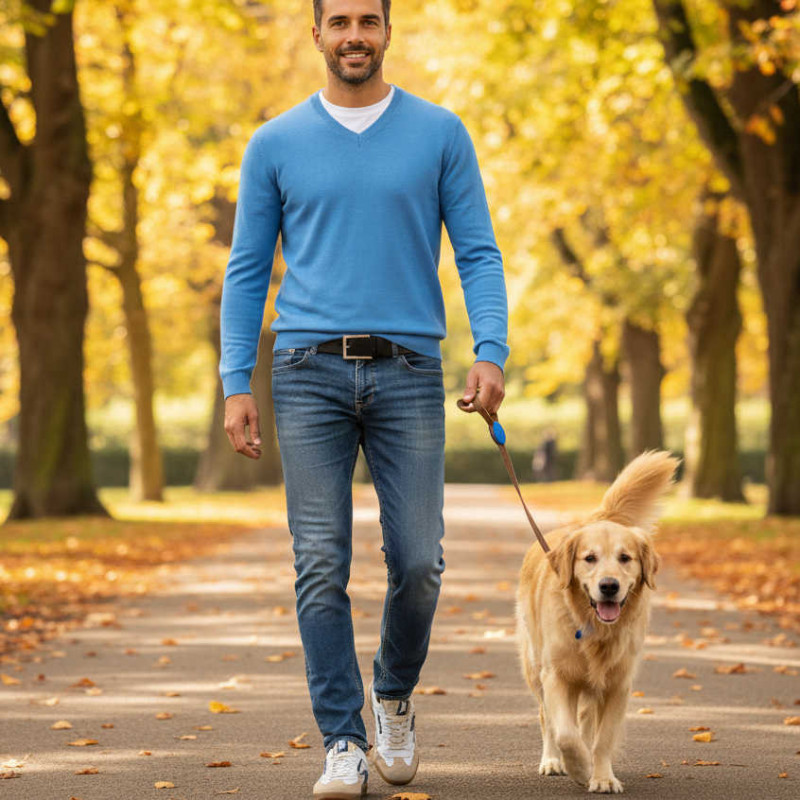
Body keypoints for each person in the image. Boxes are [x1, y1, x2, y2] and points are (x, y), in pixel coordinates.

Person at [219, 0, 508, 797]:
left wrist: (491, 351)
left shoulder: (440, 133)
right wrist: (234, 380)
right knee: (320, 565)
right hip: (306, 370)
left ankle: (392, 695)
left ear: (387, 32)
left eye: (367, 22)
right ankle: (342, 741)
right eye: (338, 21)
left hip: (410, 370)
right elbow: (247, 270)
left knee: (418, 562)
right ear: (315, 33)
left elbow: (478, 252)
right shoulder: (274, 142)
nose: (354, 36)